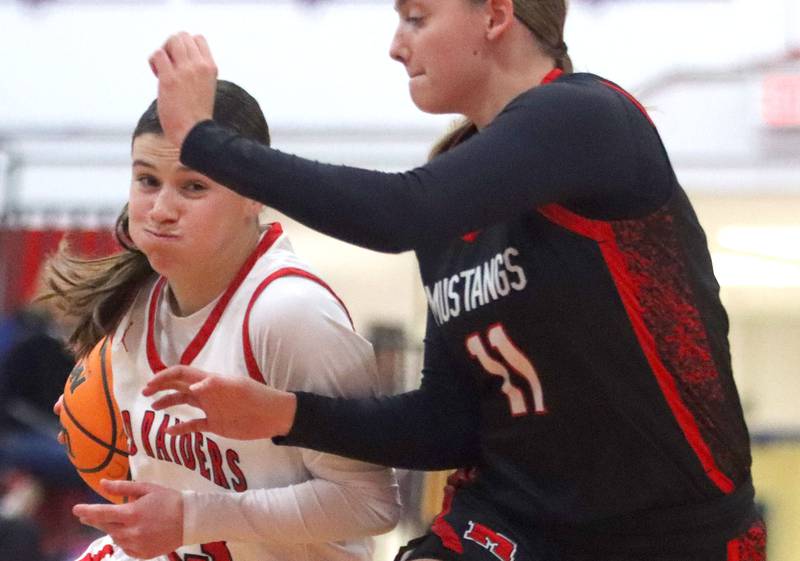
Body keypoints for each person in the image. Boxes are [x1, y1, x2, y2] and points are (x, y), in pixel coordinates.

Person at [143, 0, 766, 559]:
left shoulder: (588, 116)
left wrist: (207, 140)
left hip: (675, 534)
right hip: (511, 523)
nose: (395, 44)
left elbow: (396, 212)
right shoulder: (449, 212)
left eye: (415, 17)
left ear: (495, 16)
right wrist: (285, 413)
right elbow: (451, 425)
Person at [44, 80, 401, 561]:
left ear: (255, 194)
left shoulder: (290, 314)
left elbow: (370, 504)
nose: (162, 210)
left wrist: (194, 517)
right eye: (148, 180)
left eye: (193, 187)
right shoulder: (134, 306)